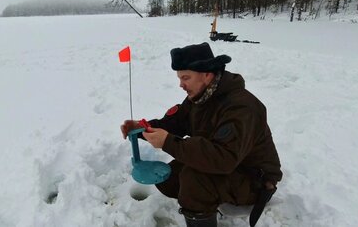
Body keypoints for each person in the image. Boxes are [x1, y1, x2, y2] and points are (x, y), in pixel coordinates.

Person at [120, 43, 282, 227]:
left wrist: (168, 142)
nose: (181, 84)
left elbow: (224, 158)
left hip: (254, 178)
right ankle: (204, 203)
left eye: (186, 78)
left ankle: (201, 207)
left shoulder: (242, 107)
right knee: (171, 179)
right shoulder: (201, 96)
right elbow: (176, 122)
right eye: (179, 78)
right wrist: (142, 128)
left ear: (207, 74)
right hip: (226, 163)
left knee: (194, 181)